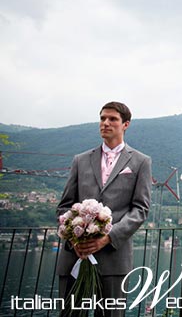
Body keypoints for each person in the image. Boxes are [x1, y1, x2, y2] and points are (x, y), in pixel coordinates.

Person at [56, 101, 152, 317]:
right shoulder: (80, 160)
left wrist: (108, 238)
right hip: (75, 257)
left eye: (112, 119)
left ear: (125, 124)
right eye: (102, 118)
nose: (105, 123)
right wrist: (74, 240)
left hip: (114, 259)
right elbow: (64, 206)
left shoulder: (140, 162)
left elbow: (140, 209)